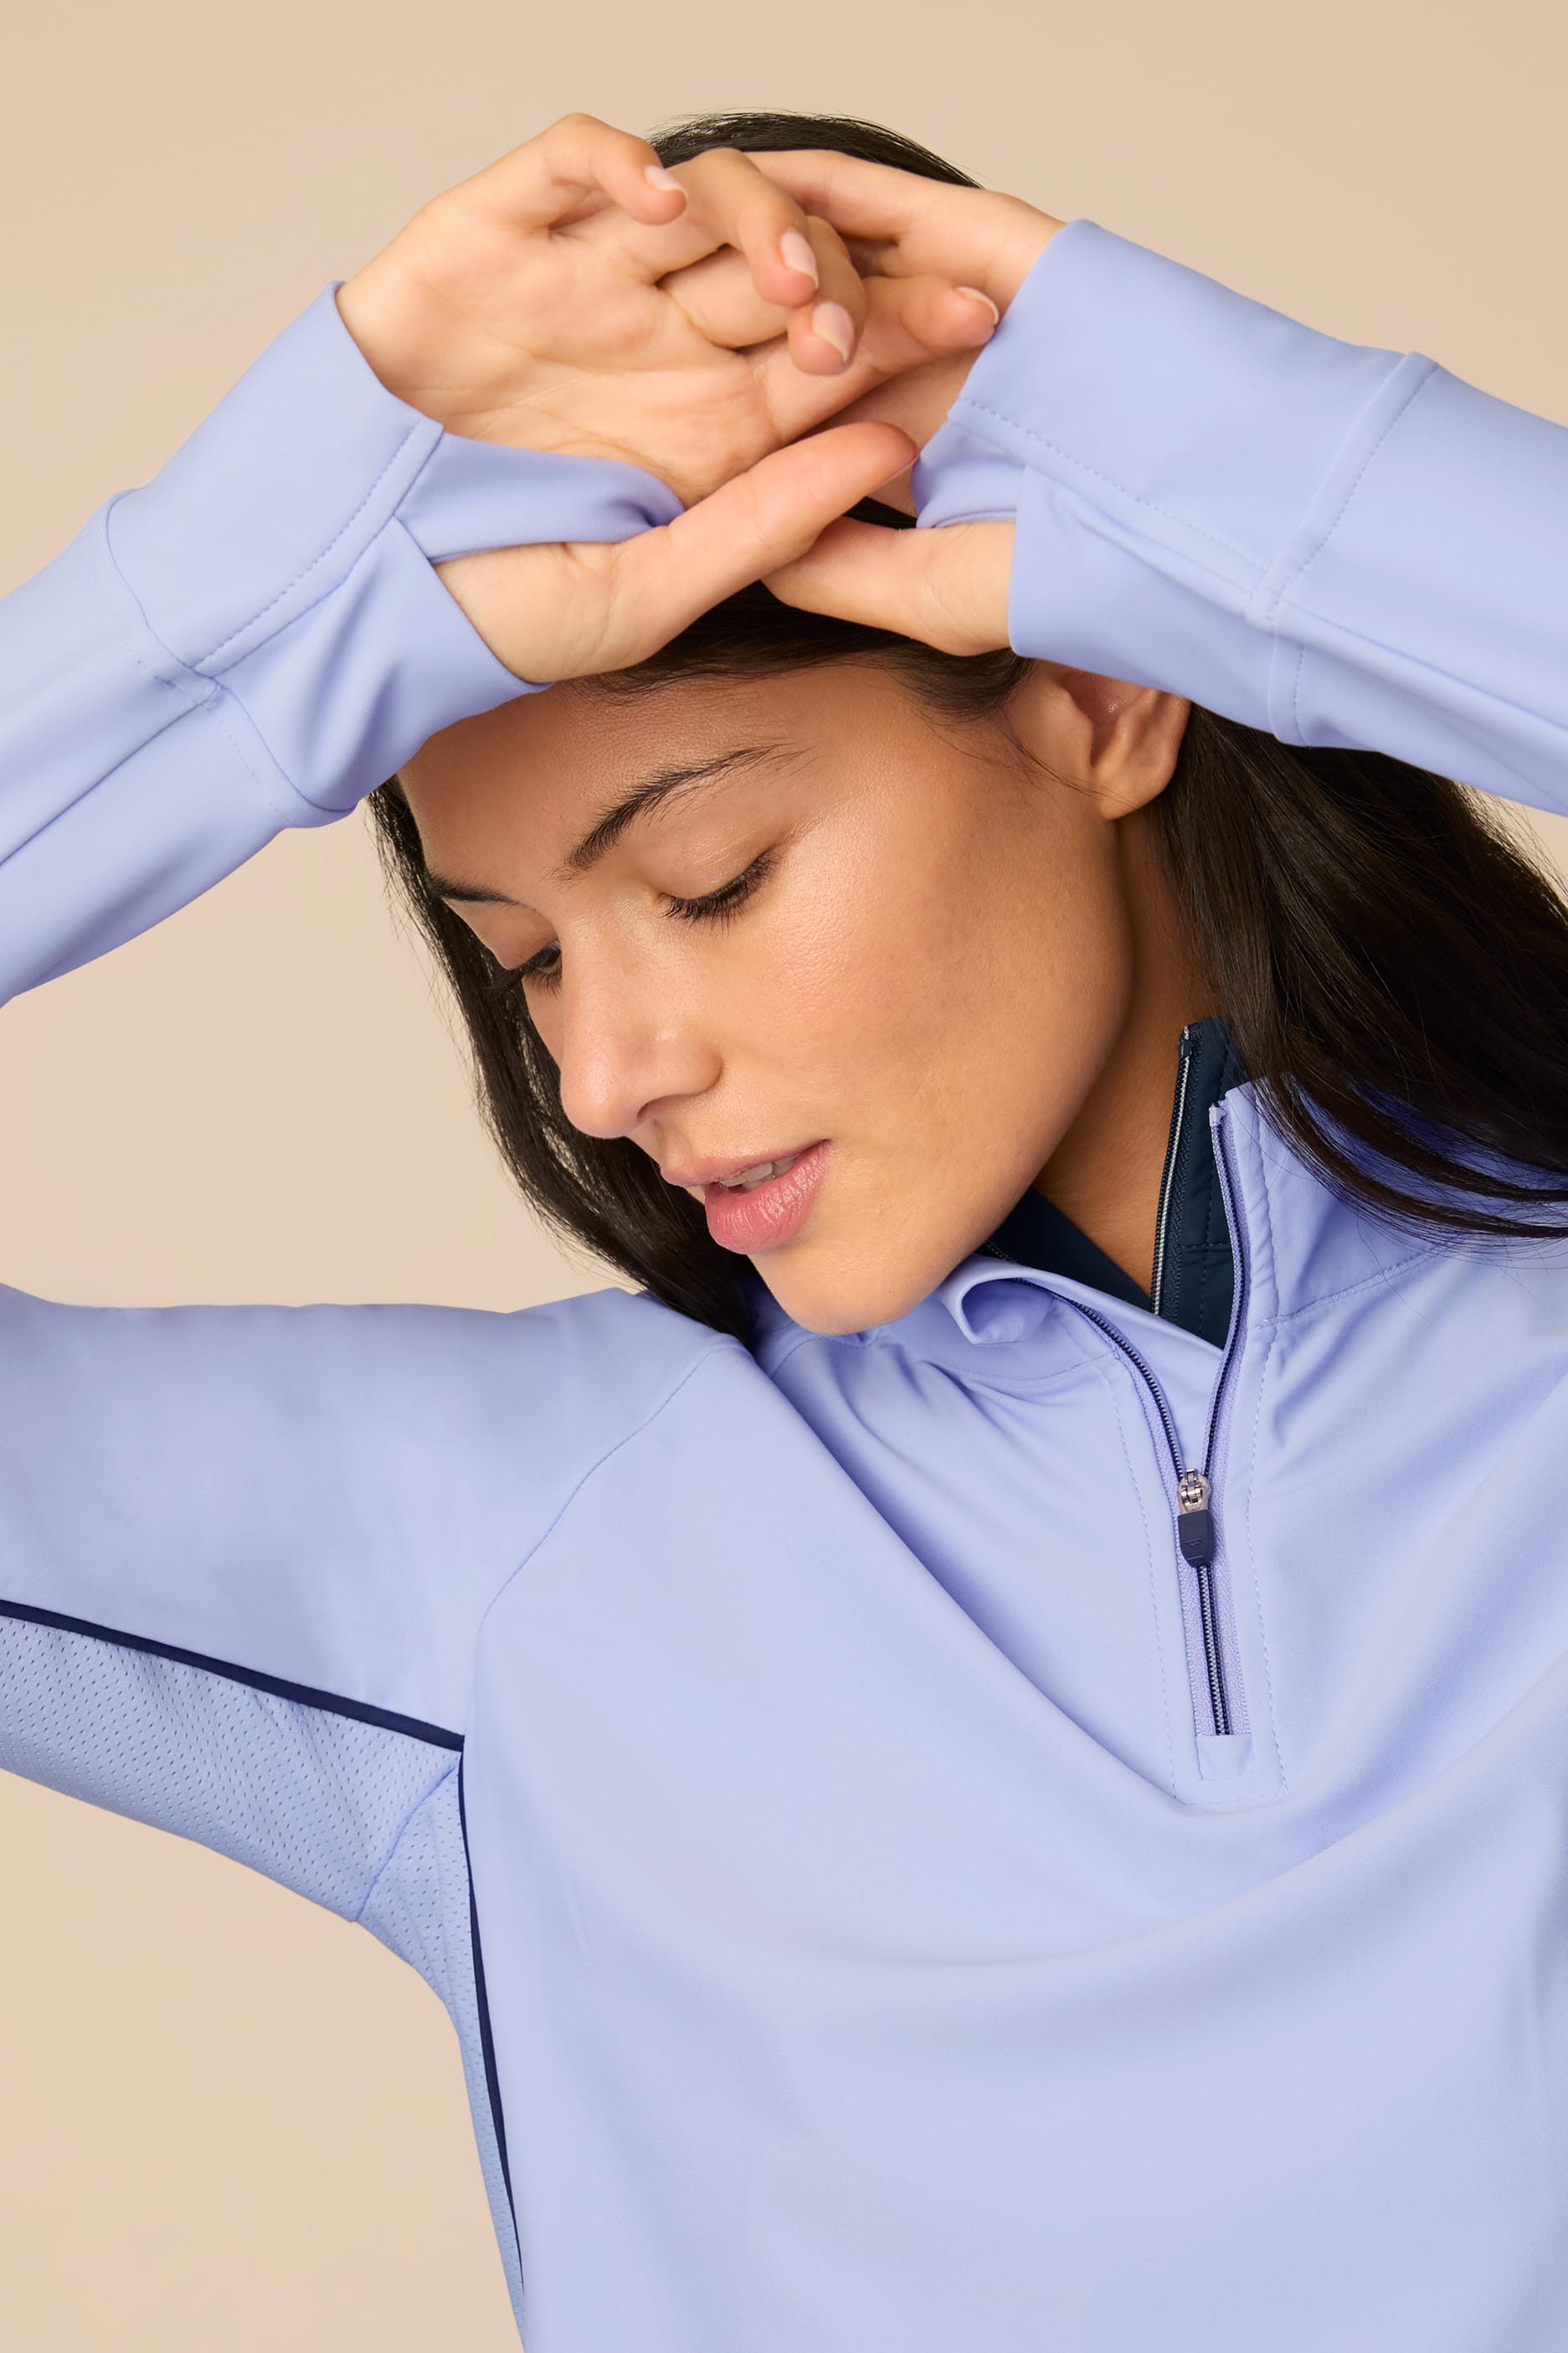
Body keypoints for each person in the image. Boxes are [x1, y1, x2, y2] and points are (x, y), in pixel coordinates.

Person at [2, 99, 1566, 2352]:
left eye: (706, 880)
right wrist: (259, 608)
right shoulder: (487, 1553)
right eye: (525, 955)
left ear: (1109, 691)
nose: (601, 1075)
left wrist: (1241, 480)